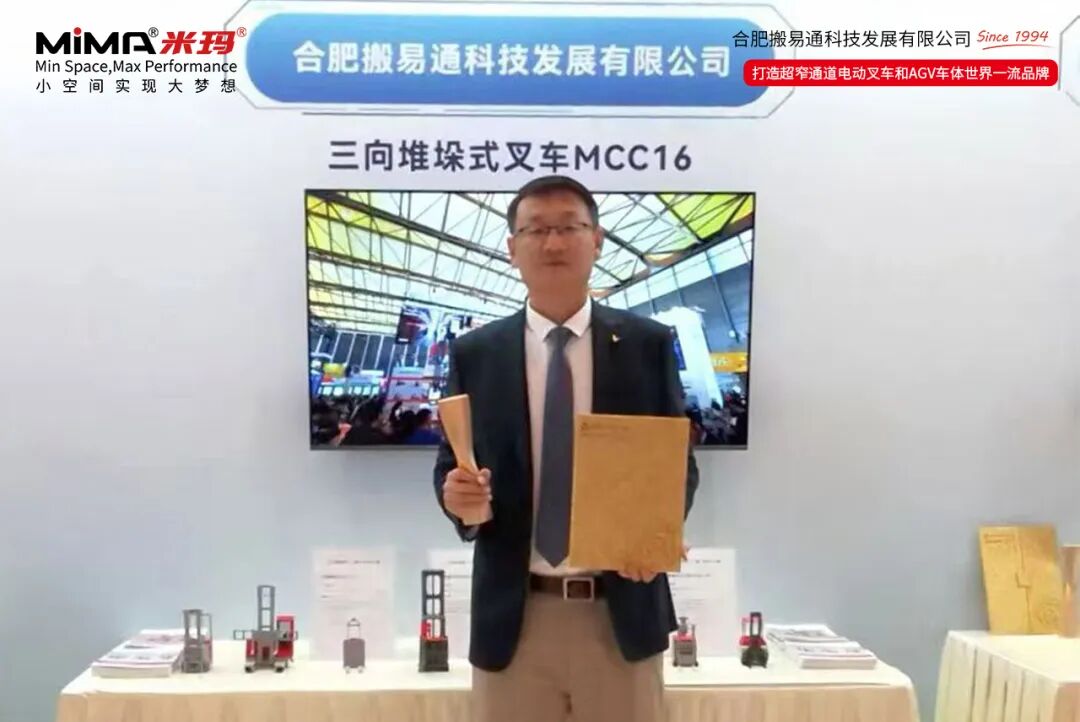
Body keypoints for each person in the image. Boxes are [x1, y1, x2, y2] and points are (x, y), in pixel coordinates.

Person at [432, 175, 699, 722]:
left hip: (621, 615)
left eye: (569, 228)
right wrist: (458, 499)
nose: (553, 243)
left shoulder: (647, 344)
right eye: (536, 230)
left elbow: (677, 464)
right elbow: (451, 466)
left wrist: (656, 532)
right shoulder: (477, 353)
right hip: (514, 618)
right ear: (512, 248)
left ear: (596, 241)